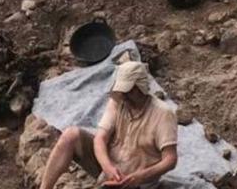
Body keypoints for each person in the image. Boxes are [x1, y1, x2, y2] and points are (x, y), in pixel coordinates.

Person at [38, 61, 178, 189]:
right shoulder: (118, 101)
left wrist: (141, 176)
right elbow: (100, 138)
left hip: (137, 181)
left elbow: (170, 159)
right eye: (122, 91)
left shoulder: (163, 114)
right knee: (70, 135)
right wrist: (107, 167)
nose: (124, 96)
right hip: (110, 167)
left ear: (140, 87)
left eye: (128, 91)